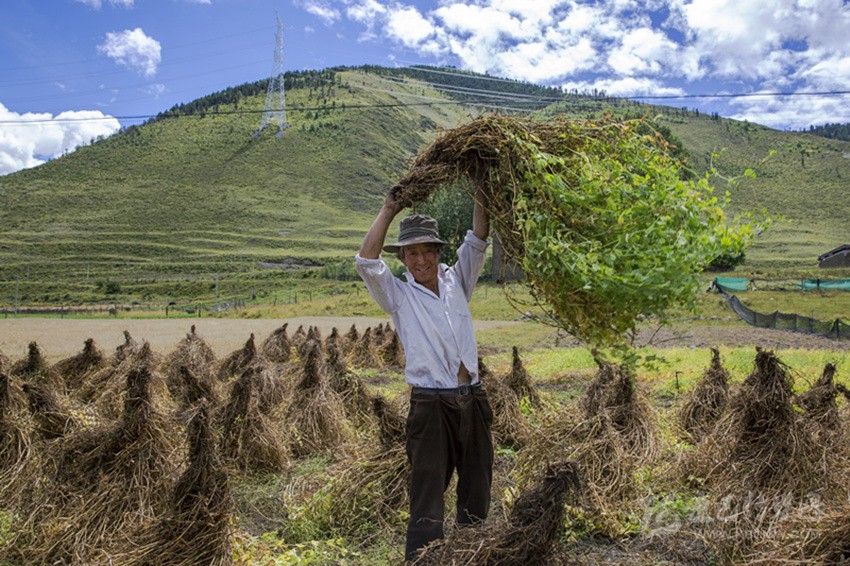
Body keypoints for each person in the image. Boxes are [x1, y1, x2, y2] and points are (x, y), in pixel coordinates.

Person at [355, 186, 494, 562]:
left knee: (478, 488)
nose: (420, 260)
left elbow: (478, 237)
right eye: (412, 253)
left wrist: (482, 182)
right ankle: (422, 559)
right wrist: (388, 209)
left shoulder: (457, 281)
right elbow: (366, 262)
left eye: (427, 251)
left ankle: (469, 555)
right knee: (428, 494)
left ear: (437, 252)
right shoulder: (398, 296)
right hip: (431, 406)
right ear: (402, 258)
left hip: (473, 398)